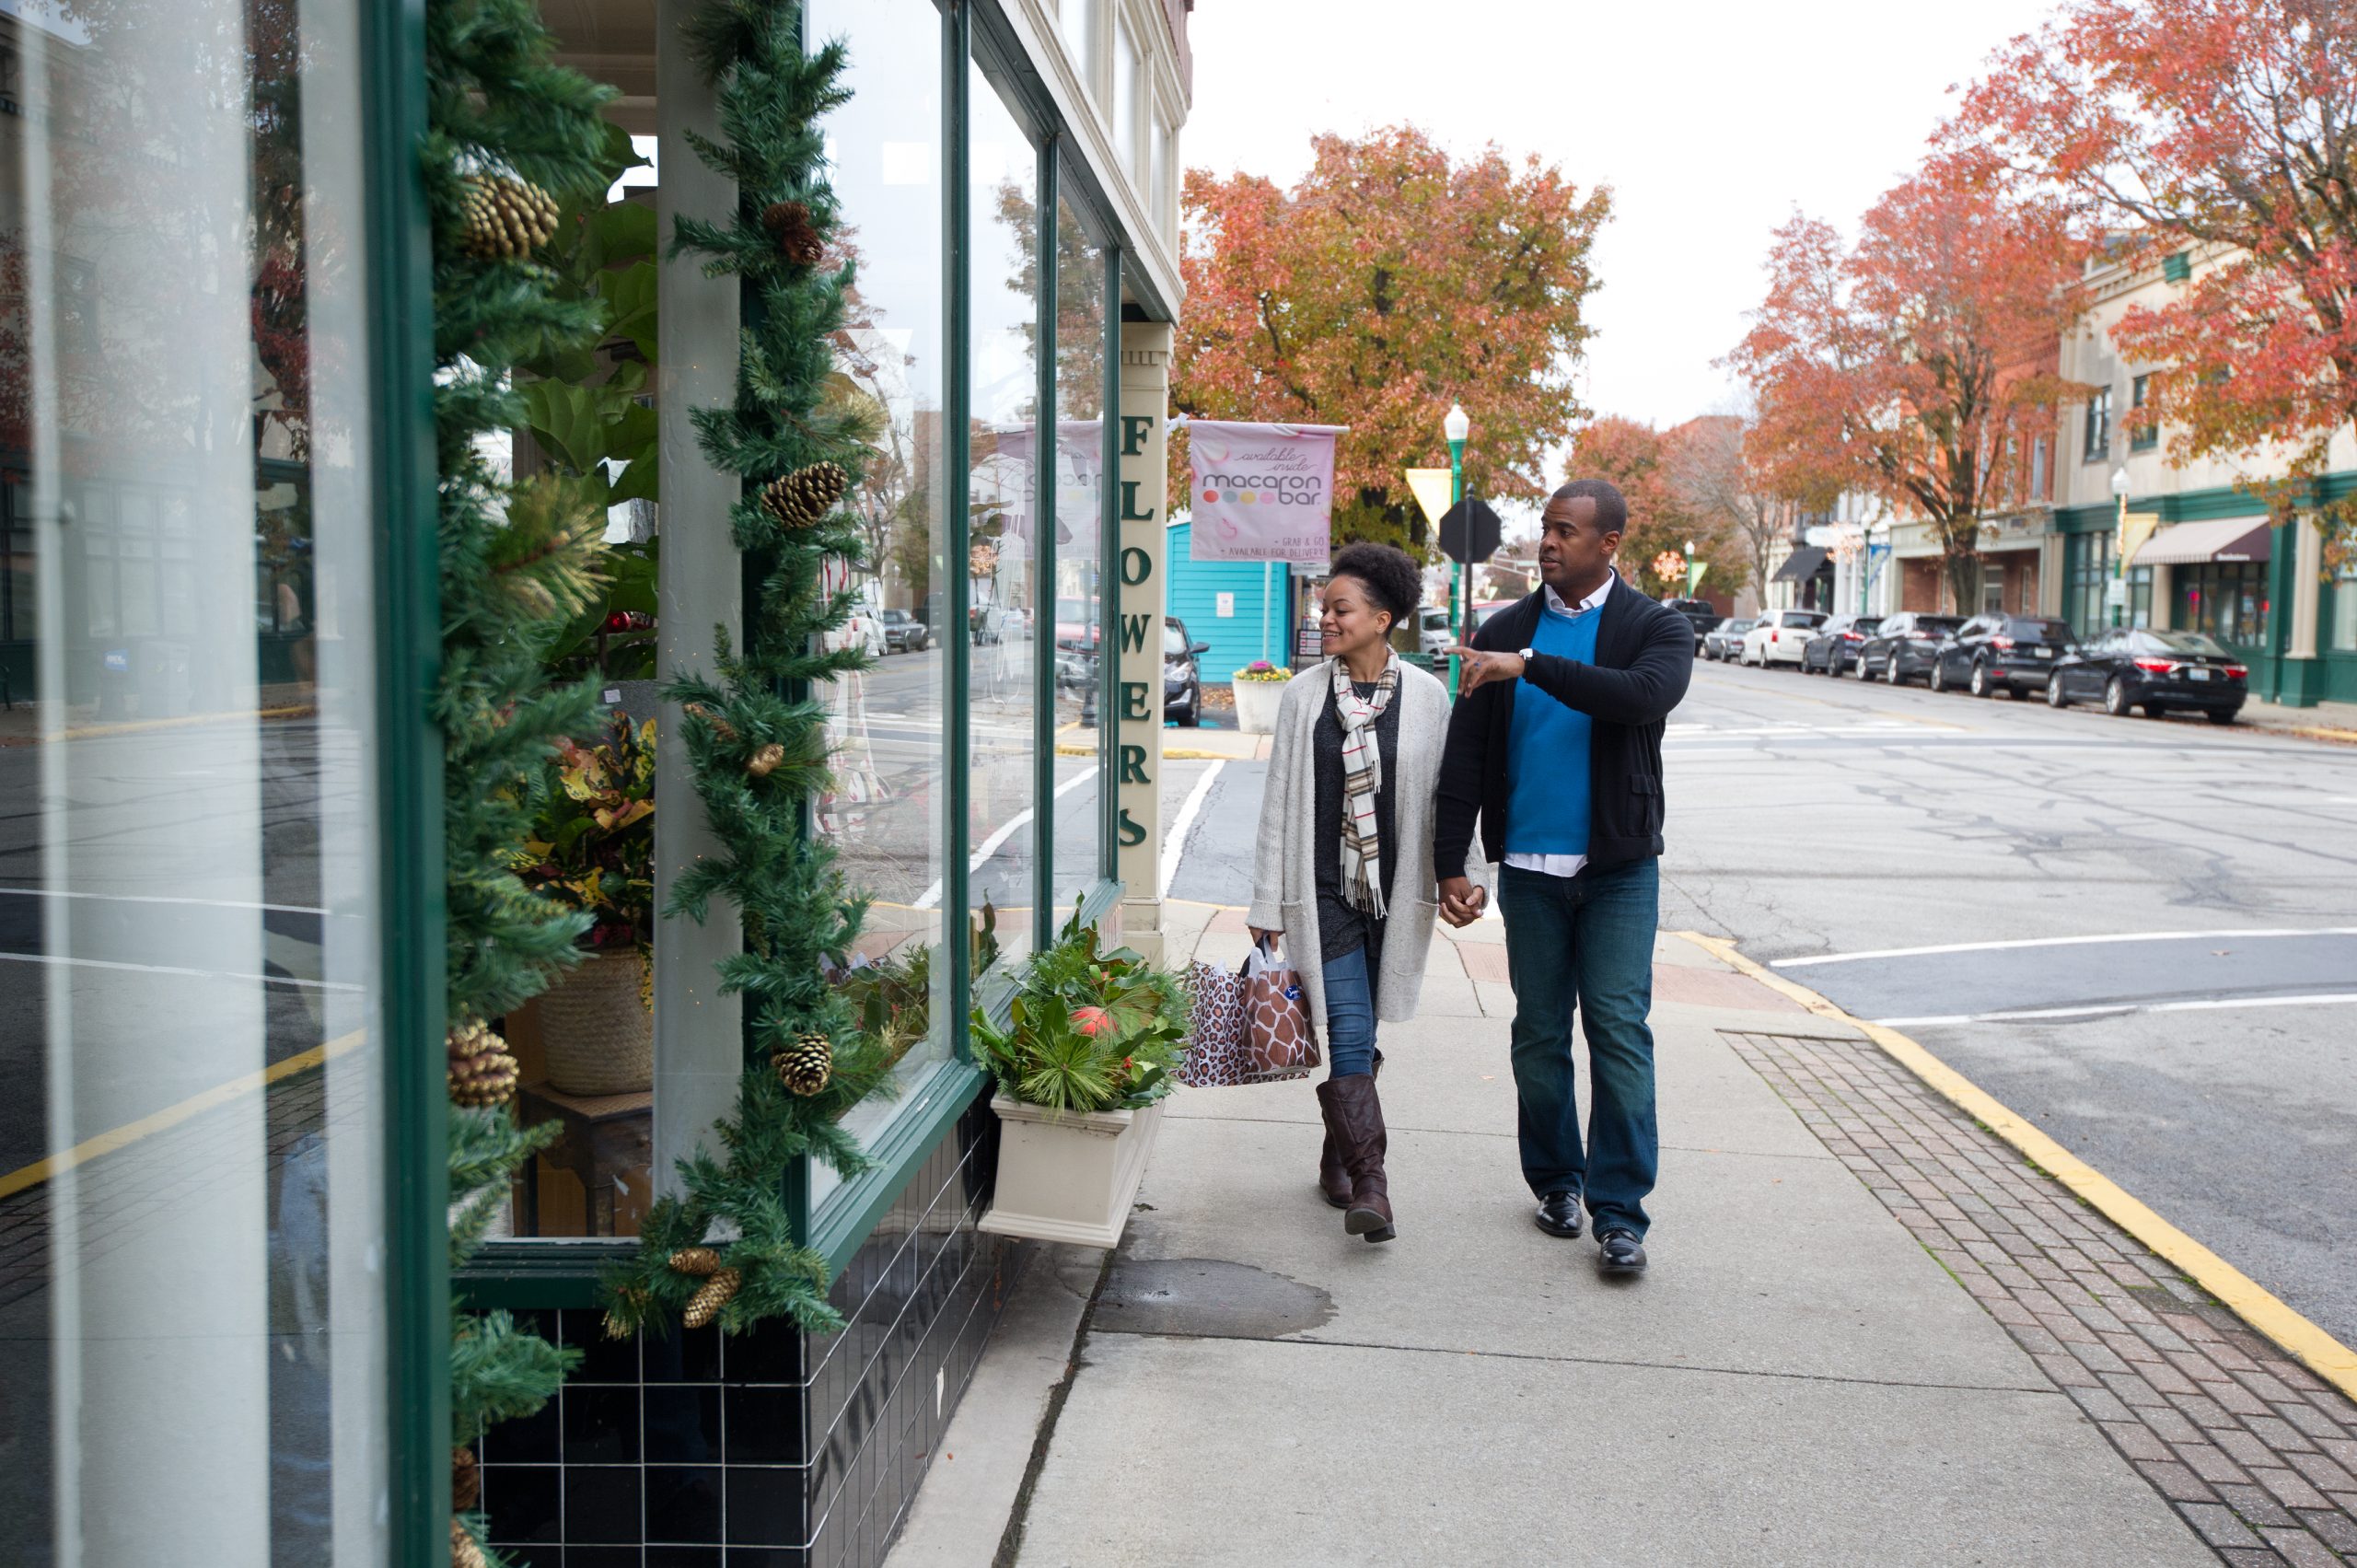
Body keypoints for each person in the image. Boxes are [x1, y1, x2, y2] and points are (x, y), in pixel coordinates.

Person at [1434, 478, 1694, 1276]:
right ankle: (1556, 1181)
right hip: (1530, 871)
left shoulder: (1654, 627)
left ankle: (1619, 1215)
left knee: (1618, 1029)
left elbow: (1639, 698)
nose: (1548, 542)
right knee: (1539, 1034)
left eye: (1567, 531)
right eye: (1546, 528)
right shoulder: (1505, 629)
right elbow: (1466, 756)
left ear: (1609, 542)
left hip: (1619, 869)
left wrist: (1530, 666)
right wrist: (1450, 863)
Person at [1246, 542, 1450, 1244]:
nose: (1325, 619)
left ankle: (1338, 1155)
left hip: (1394, 896)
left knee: (1364, 1034)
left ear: (1382, 619)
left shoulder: (1427, 698)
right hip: (1325, 894)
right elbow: (1278, 804)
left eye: (1340, 609)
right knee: (1351, 1028)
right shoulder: (1304, 696)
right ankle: (1372, 1184)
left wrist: (1466, 873)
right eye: (1323, 608)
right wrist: (1266, 904)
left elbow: (1446, 801)